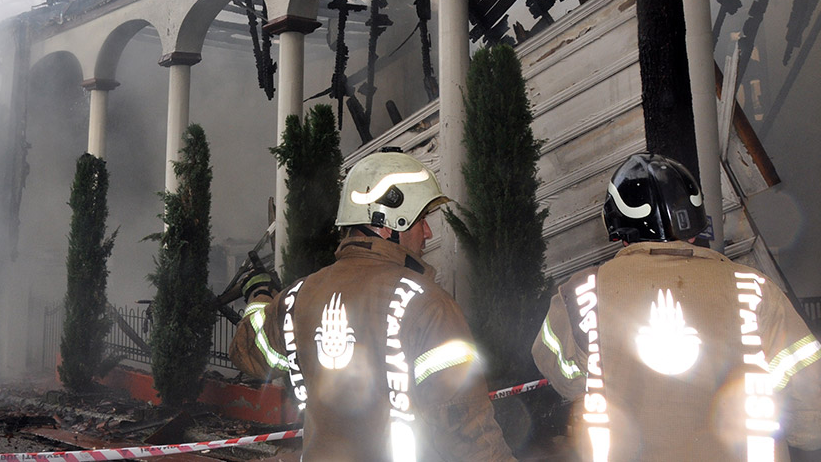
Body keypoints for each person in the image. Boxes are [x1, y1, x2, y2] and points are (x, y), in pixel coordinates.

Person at [531, 152, 821, 461]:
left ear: (616, 226)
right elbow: (811, 417)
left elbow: (562, 374)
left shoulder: (581, 295)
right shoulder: (756, 291)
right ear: (694, 225)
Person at [230, 149, 515, 461]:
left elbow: (248, 354)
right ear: (389, 222)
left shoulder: (297, 297)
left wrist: (259, 296)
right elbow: (467, 425)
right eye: (421, 220)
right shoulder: (428, 305)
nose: (428, 232)